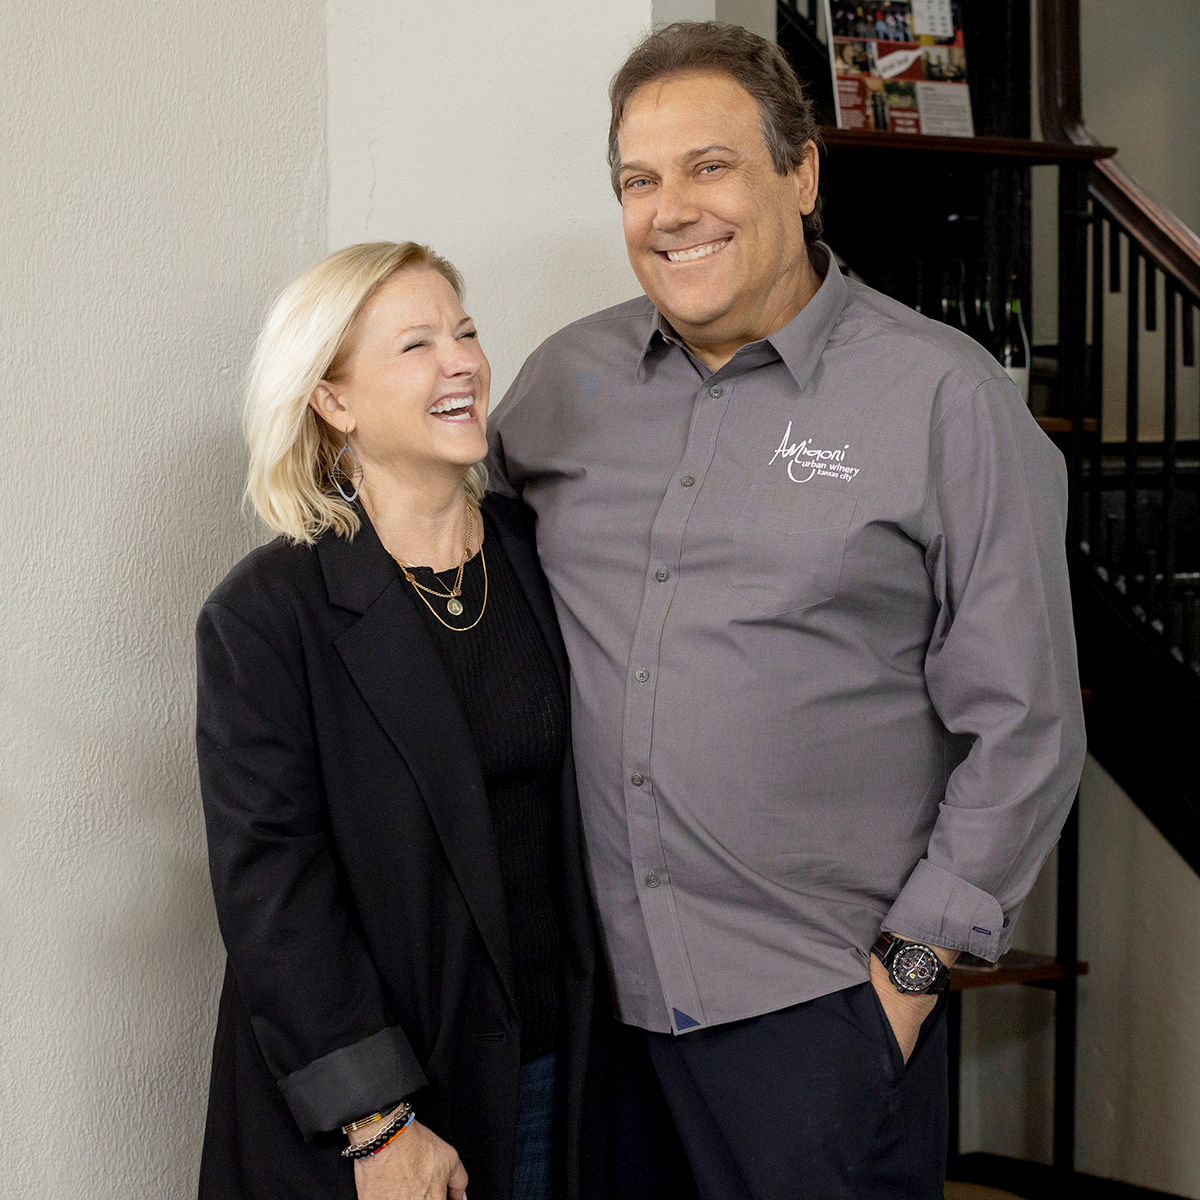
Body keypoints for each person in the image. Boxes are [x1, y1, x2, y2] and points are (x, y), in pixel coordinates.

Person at [487, 22, 1086, 1200]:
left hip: (815, 1014)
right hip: (594, 1006)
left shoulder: (940, 397)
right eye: (638, 180)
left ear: (801, 174)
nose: (672, 210)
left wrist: (908, 975)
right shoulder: (565, 383)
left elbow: (1028, 723)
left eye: (710, 166)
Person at [195, 241, 607, 1200]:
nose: (461, 361)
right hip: (388, 1111)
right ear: (333, 401)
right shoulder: (267, 613)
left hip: (557, 1070)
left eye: (464, 333)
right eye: (416, 345)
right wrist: (378, 1123)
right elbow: (273, 894)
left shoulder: (540, 554)